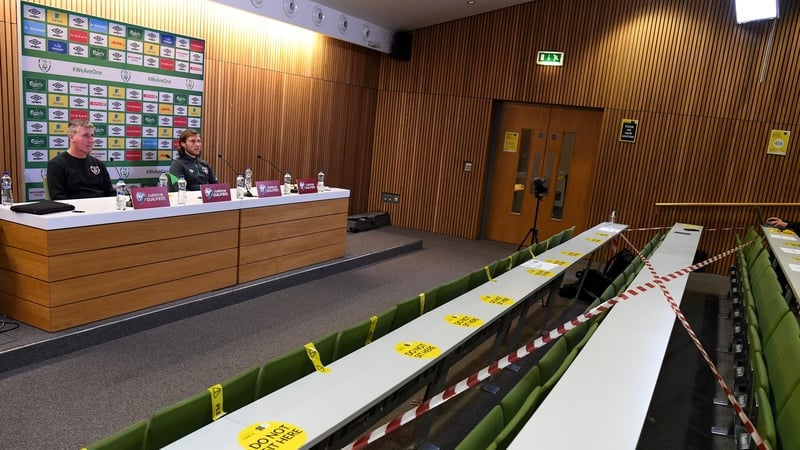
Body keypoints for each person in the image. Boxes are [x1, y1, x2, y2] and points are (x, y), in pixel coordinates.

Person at [47, 120, 116, 200]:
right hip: (74, 210)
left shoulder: (98, 164)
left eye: (92, 135)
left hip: (102, 210)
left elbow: (110, 194)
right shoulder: (57, 164)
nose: (91, 140)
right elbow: (58, 198)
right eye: (86, 136)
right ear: (72, 137)